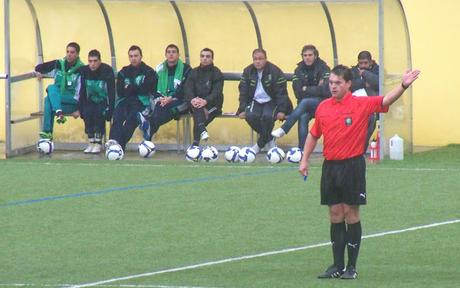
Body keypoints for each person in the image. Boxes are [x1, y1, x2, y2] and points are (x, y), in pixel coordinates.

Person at [299, 65, 420, 279]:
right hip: (330, 167)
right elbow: (314, 134)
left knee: (350, 214)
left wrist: (403, 85)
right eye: (331, 83)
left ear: (348, 84)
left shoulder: (360, 104)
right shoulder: (323, 107)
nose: (333, 86)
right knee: (335, 214)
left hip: (352, 166)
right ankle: (337, 266)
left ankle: (351, 267)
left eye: (337, 83)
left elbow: (385, 101)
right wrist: (304, 159)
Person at [271, 45, 330, 148]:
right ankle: (302, 150)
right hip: (305, 106)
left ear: (315, 56)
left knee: (305, 102)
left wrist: (306, 88)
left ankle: (284, 129)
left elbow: (325, 90)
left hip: (322, 104)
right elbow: (298, 92)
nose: (307, 57)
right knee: (303, 116)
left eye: (310, 55)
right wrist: (315, 89)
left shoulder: (324, 68)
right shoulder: (298, 70)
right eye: (305, 55)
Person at [238, 48, 293, 153]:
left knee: (267, 116)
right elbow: (243, 92)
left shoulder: (275, 71)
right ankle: (269, 139)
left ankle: (258, 145)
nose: (258, 61)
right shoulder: (247, 71)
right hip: (255, 101)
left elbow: (281, 93)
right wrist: (241, 109)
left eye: (260, 59)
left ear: (266, 59)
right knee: (250, 116)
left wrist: (282, 110)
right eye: (255, 59)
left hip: (272, 101)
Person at [107, 45, 158, 151]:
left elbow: (147, 89)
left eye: (136, 56)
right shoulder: (123, 72)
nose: (133, 58)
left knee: (132, 119)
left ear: (141, 56)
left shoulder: (149, 72)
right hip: (125, 100)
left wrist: (130, 87)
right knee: (117, 116)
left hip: (141, 102)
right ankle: (113, 142)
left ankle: (120, 146)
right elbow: (120, 91)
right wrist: (136, 87)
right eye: (131, 56)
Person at [137, 44, 192, 140]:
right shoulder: (160, 68)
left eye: (174, 52)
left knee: (169, 109)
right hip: (164, 99)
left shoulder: (186, 69)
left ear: (178, 55)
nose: (171, 54)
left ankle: (148, 125)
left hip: (181, 101)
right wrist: (161, 97)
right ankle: (148, 133)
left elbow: (185, 88)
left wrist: (171, 98)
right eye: (169, 52)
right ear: (165, 55)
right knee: (159, 105)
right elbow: (154, 87)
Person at [34, 42, 85, 140]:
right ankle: (58, 114)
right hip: (58, 100)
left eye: (72, 52)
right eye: (67, 52)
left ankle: (47, 132)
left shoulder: (82, 69)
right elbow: (39, 67)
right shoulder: (59, 63)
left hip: (72, 102)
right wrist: (37, 72)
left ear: (77, 54)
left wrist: (80, 109)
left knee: (49, 92)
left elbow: (83, 91)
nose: (69, 54)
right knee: (50, 96)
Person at [184, 48, 224, 146]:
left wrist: (205, 101)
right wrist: (193, 99)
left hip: (213, 106)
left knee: (198, 114)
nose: (204, 58)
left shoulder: (216, 73)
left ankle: (195, 144)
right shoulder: (193, 72)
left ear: (212, 59)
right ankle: (201, 132)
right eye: (202, 56)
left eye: (207, 56)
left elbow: (217, 92)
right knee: (198, 109)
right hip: (196, 104)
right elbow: (188, 89)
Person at [78, 49, 115, 154]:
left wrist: (110, 108)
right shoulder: (84, 71)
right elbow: (81, 90)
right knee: (87, 112)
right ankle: (91, 141)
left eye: (95, 61)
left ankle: (98, 143)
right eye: (90, 61)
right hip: (90, 100)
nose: (92, 64)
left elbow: (111, 92)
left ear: (100, 61)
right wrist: (80, 107)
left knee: (99, 112)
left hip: (103, 100)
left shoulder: (107, 70)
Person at [351, 51, 380, 150]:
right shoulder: (353, 71)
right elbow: (350, 85)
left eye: (365, 63)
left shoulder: (378, 70)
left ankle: (361, 148)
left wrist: (365, 73)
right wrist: (365, 82)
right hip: (355, 105)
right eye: (360, 63)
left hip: (373, 104)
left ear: (371, 62)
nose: (362, 65)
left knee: (371, 119)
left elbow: (378, 83)